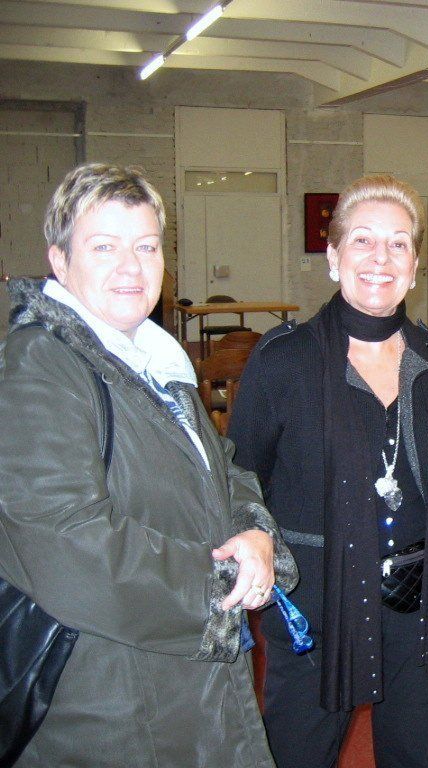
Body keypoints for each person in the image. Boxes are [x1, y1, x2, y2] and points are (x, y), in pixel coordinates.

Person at [0, 163, 297, 767]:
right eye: (103, 247)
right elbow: (66, 541)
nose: (131, 267)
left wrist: (255, 533)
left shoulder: (154, 358)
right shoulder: (40, 364)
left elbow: (221, 469)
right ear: (59, 260)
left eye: (146, 246)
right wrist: (218, 586)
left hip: (183, 681)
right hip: (110, 695)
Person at [229, 174, 428, 768]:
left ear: (415, 267)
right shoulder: (284, 360)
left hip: (419, 599)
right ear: (334, 257)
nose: (380, 258)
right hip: (318, 599)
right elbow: (238, 475)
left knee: (413, 755)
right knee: (298, 754)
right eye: (362, 240)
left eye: (398, 243)